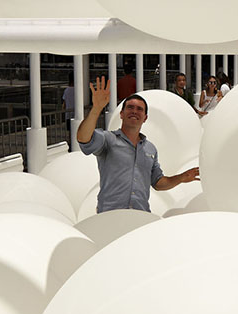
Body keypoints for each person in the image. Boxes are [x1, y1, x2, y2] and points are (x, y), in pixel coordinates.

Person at [77, 77, 199, 213]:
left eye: (139, 109)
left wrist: (181, 178)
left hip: (140, 215)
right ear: (121, 114)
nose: (134, 111)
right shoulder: (108, 140)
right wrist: (96, 108)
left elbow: (158, 183)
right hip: (110, 216)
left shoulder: (150, 148)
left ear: (145, 118)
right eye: (130, 107)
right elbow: (84, 138)